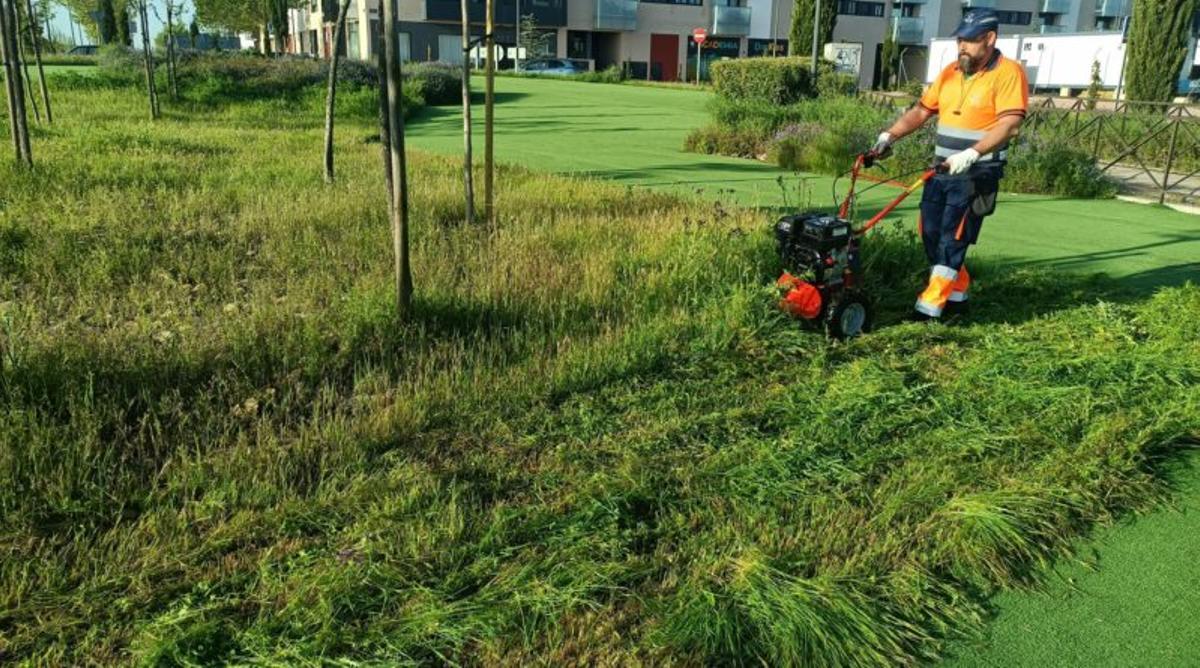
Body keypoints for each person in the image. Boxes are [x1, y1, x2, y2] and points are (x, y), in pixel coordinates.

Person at [870, 8, 1029, 320]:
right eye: (960, 40)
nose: (962, 47)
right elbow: (921, 111)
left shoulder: (1008, 73)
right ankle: (957, 297)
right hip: (941, 169)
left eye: (969, 41)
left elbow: (1009, 124)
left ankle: (928, 309)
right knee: (930, 232)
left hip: (977, 173)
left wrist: (972, 153)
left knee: (952, 237)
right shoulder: (950, 73)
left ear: (990, 39)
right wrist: (889, 135)